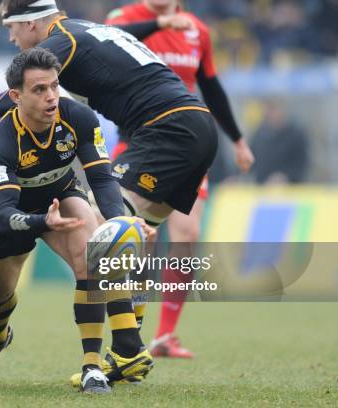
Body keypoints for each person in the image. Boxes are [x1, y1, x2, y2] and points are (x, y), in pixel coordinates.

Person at [0, 0, 218, 385]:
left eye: (12, 28)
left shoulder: (61, 42)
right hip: (197, 126)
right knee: (130, 236)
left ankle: (126, 348)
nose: (12, 38)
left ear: (30, 24)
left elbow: (6, 97)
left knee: (105, 237)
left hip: (166, 130)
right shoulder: (87, 31)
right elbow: (125, 41)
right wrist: (158, 21)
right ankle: (127, 350)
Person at [0, 48, 153, 393]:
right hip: (11, 218)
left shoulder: (78, 117)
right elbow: (5, 214)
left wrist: (121, 222)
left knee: (92, 258)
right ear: (16, 96)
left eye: (53, 86)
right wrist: (42, 222)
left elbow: (101, 179)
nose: (51, 96)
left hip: (61, 195)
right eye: (39, 89)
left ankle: (92, 368)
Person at [105, 0, 255, 358]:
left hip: (186, 148)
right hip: (138, 143)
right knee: (134, 236)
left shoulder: (197, 30)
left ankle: (165, 335)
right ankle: (126, 329)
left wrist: (237, 139)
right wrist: (159, 24)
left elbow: (211, 85)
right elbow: (103, 44)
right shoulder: (124, 19)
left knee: (188, 234)